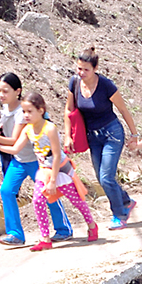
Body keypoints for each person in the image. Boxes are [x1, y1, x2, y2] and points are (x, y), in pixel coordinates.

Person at [0, 73, 74, 247]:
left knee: (48, 194)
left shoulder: (23, 113)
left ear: (18, 91)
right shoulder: (6, 110)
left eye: (5, 91)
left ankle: (63, 228)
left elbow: (15, 140)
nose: (0, 94)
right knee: (7, 190)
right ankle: (15, 233)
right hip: (19, 160)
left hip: (36, 160)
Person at [66, 47, 141, 230]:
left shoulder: (106, 85)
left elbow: (123, 110)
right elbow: (69, 110)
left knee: (107, 177)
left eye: (86, 69)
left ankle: (119, 214)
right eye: (79, 68)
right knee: (102, 178)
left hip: (112, 133)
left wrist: (134, 135)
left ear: (95, 68)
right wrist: (67, 136)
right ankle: (126, 200)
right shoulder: (74, 83)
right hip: (93, 137)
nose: (81, 73)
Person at [19, 91, 98, 251]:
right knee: (37, 201)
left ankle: (92, 225)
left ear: (41, 111)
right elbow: (15, 147)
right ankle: (45, 238)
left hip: (60, 170)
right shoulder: (27, 129)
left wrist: (53, 181)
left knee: (76, 200)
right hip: (44, 171)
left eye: (29, 111)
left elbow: (56, 156)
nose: (26, 115)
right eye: (23, 111)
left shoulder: (50, 129)